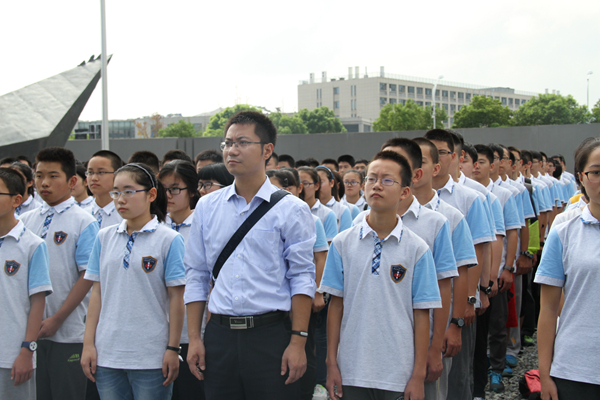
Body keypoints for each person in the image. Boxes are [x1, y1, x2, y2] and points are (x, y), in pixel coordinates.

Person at [184, 111, 316, 400]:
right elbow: (196, 274)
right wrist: (195, 338)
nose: (232, 150)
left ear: (267, 150)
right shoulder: (207, 207)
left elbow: (302, 278)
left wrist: (298, 341)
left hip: (271, 337)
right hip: (219, 336)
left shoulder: (291, 209)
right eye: (228, 142)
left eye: (242, 142)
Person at [322, 150, 441, 400]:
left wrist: (418, 375)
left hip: (398, 372)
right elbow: (336, 305)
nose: (377, 185)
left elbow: (422, 315)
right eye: (371, 178)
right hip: (352, 370)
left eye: (387, 180)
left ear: (405, 191)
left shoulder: (417, 248)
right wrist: (331, 363)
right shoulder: (342, 243)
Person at [81, 163, 186, 400]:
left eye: (128, 191)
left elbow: (177, 299)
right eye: (116, 192)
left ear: (151, 194)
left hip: (151, 356)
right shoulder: (104, 236)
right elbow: (96, 294)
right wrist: (89, 344)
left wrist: (172, 348)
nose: (120, 199)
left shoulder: (169, 239)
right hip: (107, 354)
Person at [19, 147, 99, 400]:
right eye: (39, 175)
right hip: (28, 331)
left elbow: (88, 276)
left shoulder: (83, 221)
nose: (44, 183)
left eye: (53, 176)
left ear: (72, 181)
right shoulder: (26, 220)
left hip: (68, 331)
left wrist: (57, 318)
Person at [424, 129, 494, 400]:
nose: (433, 159)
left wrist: (470, 298)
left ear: (454, 156)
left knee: (457, 374)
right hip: (423, 307)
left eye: (440, 152)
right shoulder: (408, 198)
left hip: (456, 300)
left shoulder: (470, 197)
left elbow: (476, 253)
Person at [536, 138, 600, 400]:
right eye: (596, 172)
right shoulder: (564, 230)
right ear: (581, 178)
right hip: (576, 369)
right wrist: (544, 373)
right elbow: (549, 309)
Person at [268, 168, 329, 400]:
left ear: (298, 189)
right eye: (274, 189)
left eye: (286, 189)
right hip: (278, 302)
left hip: (302, 296)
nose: (280, 194)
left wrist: (317, 292)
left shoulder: (311, 219)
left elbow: (319, 258)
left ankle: (307, 389)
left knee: (305, 346)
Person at [0, 168, 51, 400]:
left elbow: (37, 303)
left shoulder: (32, 245)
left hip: (10, 355)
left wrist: (26, 350)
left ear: (16, 200)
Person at [158, 160, 204, 400]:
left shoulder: (203, 226)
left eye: (175, 189)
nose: (168, 195)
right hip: (157, 334)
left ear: (193, 191)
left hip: (193, 333)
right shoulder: (153, 227)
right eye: (163, 188)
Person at [85, 150, 125, 228]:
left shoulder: (124, 216)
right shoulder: (83, 214)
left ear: (117, 175)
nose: (94, 178)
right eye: (90, 172)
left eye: (101, 172)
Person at [298, 167, 338, 243]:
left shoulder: (328, 214)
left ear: (317, 186)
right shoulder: (291, 211)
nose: (301, 188)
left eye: (305, 183)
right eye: (298, 184)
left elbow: (329, 247)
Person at [316, 165, 352, 232]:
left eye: (321, 182)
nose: (318, 186)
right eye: (315, 183)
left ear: (332, 183)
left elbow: (345, 238)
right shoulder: (307, 208)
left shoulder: (342, 210)